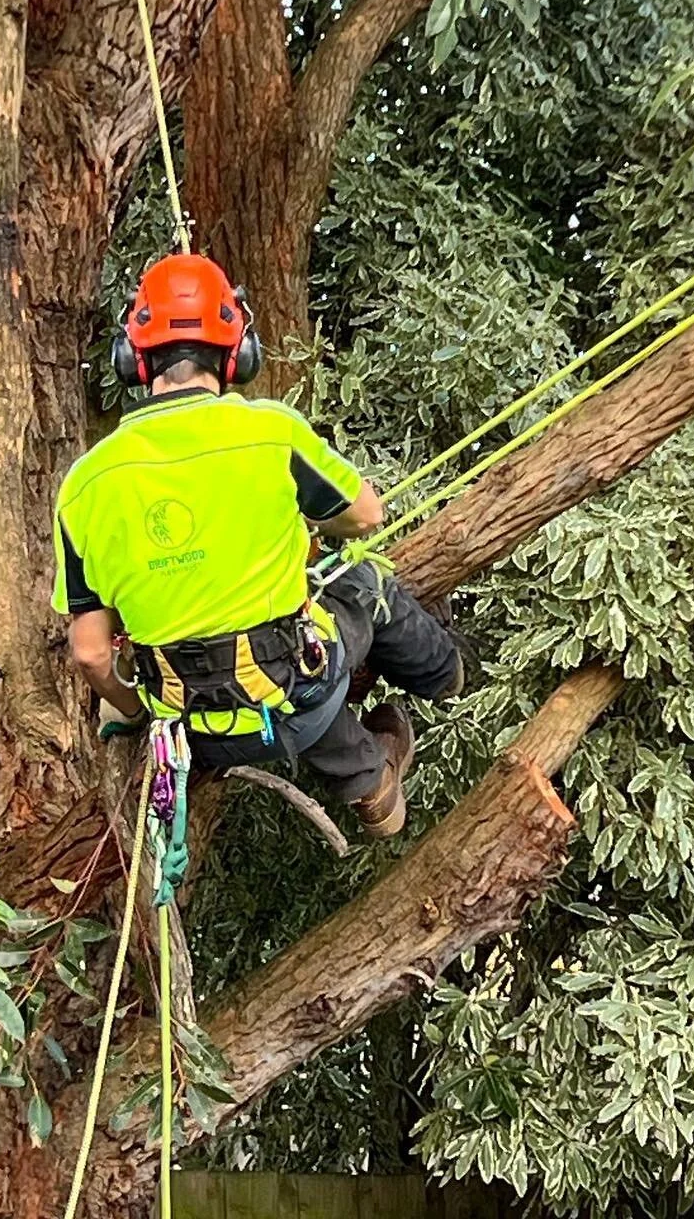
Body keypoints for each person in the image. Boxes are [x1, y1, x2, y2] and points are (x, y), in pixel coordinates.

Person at [51, 254, 463, 837]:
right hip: (295, 698)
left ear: (134, 358)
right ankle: (444, 675)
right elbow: (367, 515)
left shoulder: (83, 485)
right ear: (238, 351)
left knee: (275, 679)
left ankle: (370, 778)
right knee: (360, 587)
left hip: (192, 731)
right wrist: (319, 527)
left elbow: (91, 653)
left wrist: (139, 707)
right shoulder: (270, 431)